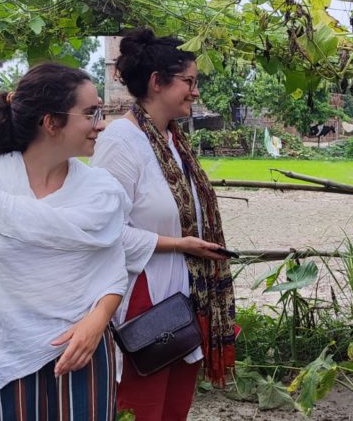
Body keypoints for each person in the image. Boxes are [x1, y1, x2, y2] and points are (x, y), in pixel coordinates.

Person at [0, 63, 127, 421]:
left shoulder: (101, 192)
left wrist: (97, 323)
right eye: (90, 113)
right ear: (51, 123)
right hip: (7, 348)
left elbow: (113, 272)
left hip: (83, 349)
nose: (101, 123)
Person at [91, 28, 236, 420]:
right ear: (157, 82)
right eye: (188, 81)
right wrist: (180, 245)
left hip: (183, 297)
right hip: (144, 300)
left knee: (174, 411)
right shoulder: (122, 140)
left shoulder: (172, 140)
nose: (195, 91)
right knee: (141, 409)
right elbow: (104, 232)